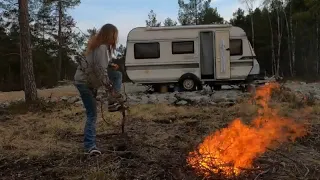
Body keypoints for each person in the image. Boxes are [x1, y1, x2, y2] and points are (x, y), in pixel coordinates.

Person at [74, 23, 121, 155]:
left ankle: (112, 102)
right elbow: (100, 71)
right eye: (115, 35)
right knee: (92, 114)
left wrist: (110, 65)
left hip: (84, 81)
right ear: (110, 35)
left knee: (117, 74)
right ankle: (90, 146)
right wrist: (110, 89)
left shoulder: (99, 47)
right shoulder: (101, 48)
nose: (115, 39)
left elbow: (98, 64)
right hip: (85, 83)